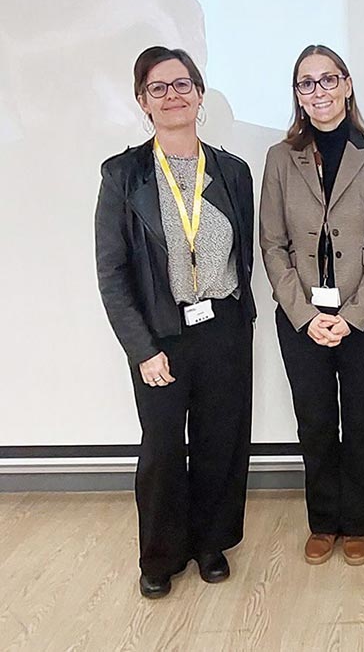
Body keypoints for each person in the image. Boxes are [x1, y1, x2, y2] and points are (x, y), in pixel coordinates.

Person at [95, 46, 256, 599]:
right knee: (162, 447)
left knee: (220, 441)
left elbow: (244, 257)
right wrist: (141, 347)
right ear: (143, 101)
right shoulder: (123, 174)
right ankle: (160, 555)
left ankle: (211, 544)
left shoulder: (232, 171)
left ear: (200, 94)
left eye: (182, 84)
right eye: (158, 88)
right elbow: (112, 273)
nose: (173, 95)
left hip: (224, 329)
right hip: (160, 334)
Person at [260, 45, 364, 566]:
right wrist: (305, 315)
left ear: (346, 84)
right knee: (315, 422)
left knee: (362, 422)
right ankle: (323, 521)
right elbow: (271, 245)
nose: (318, 91)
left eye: (327, 80)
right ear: (297, 94)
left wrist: (350, 316)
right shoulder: (280, 158)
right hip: (301, 319)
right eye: (306, 83)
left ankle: (359, 521)